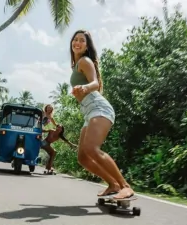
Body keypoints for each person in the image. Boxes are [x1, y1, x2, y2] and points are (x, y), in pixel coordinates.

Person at [69, 29, 134, 199]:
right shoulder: (76, 65)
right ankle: (112, 184)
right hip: (88, 111)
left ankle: (124, 186)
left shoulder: (84, 61)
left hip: (99, 108)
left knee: (92, 148)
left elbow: (95, 83)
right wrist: (79, 93)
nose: (77, 42)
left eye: (82, 40)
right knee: (83, 157)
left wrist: (84, 88)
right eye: (75, 39)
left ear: (87, 46)